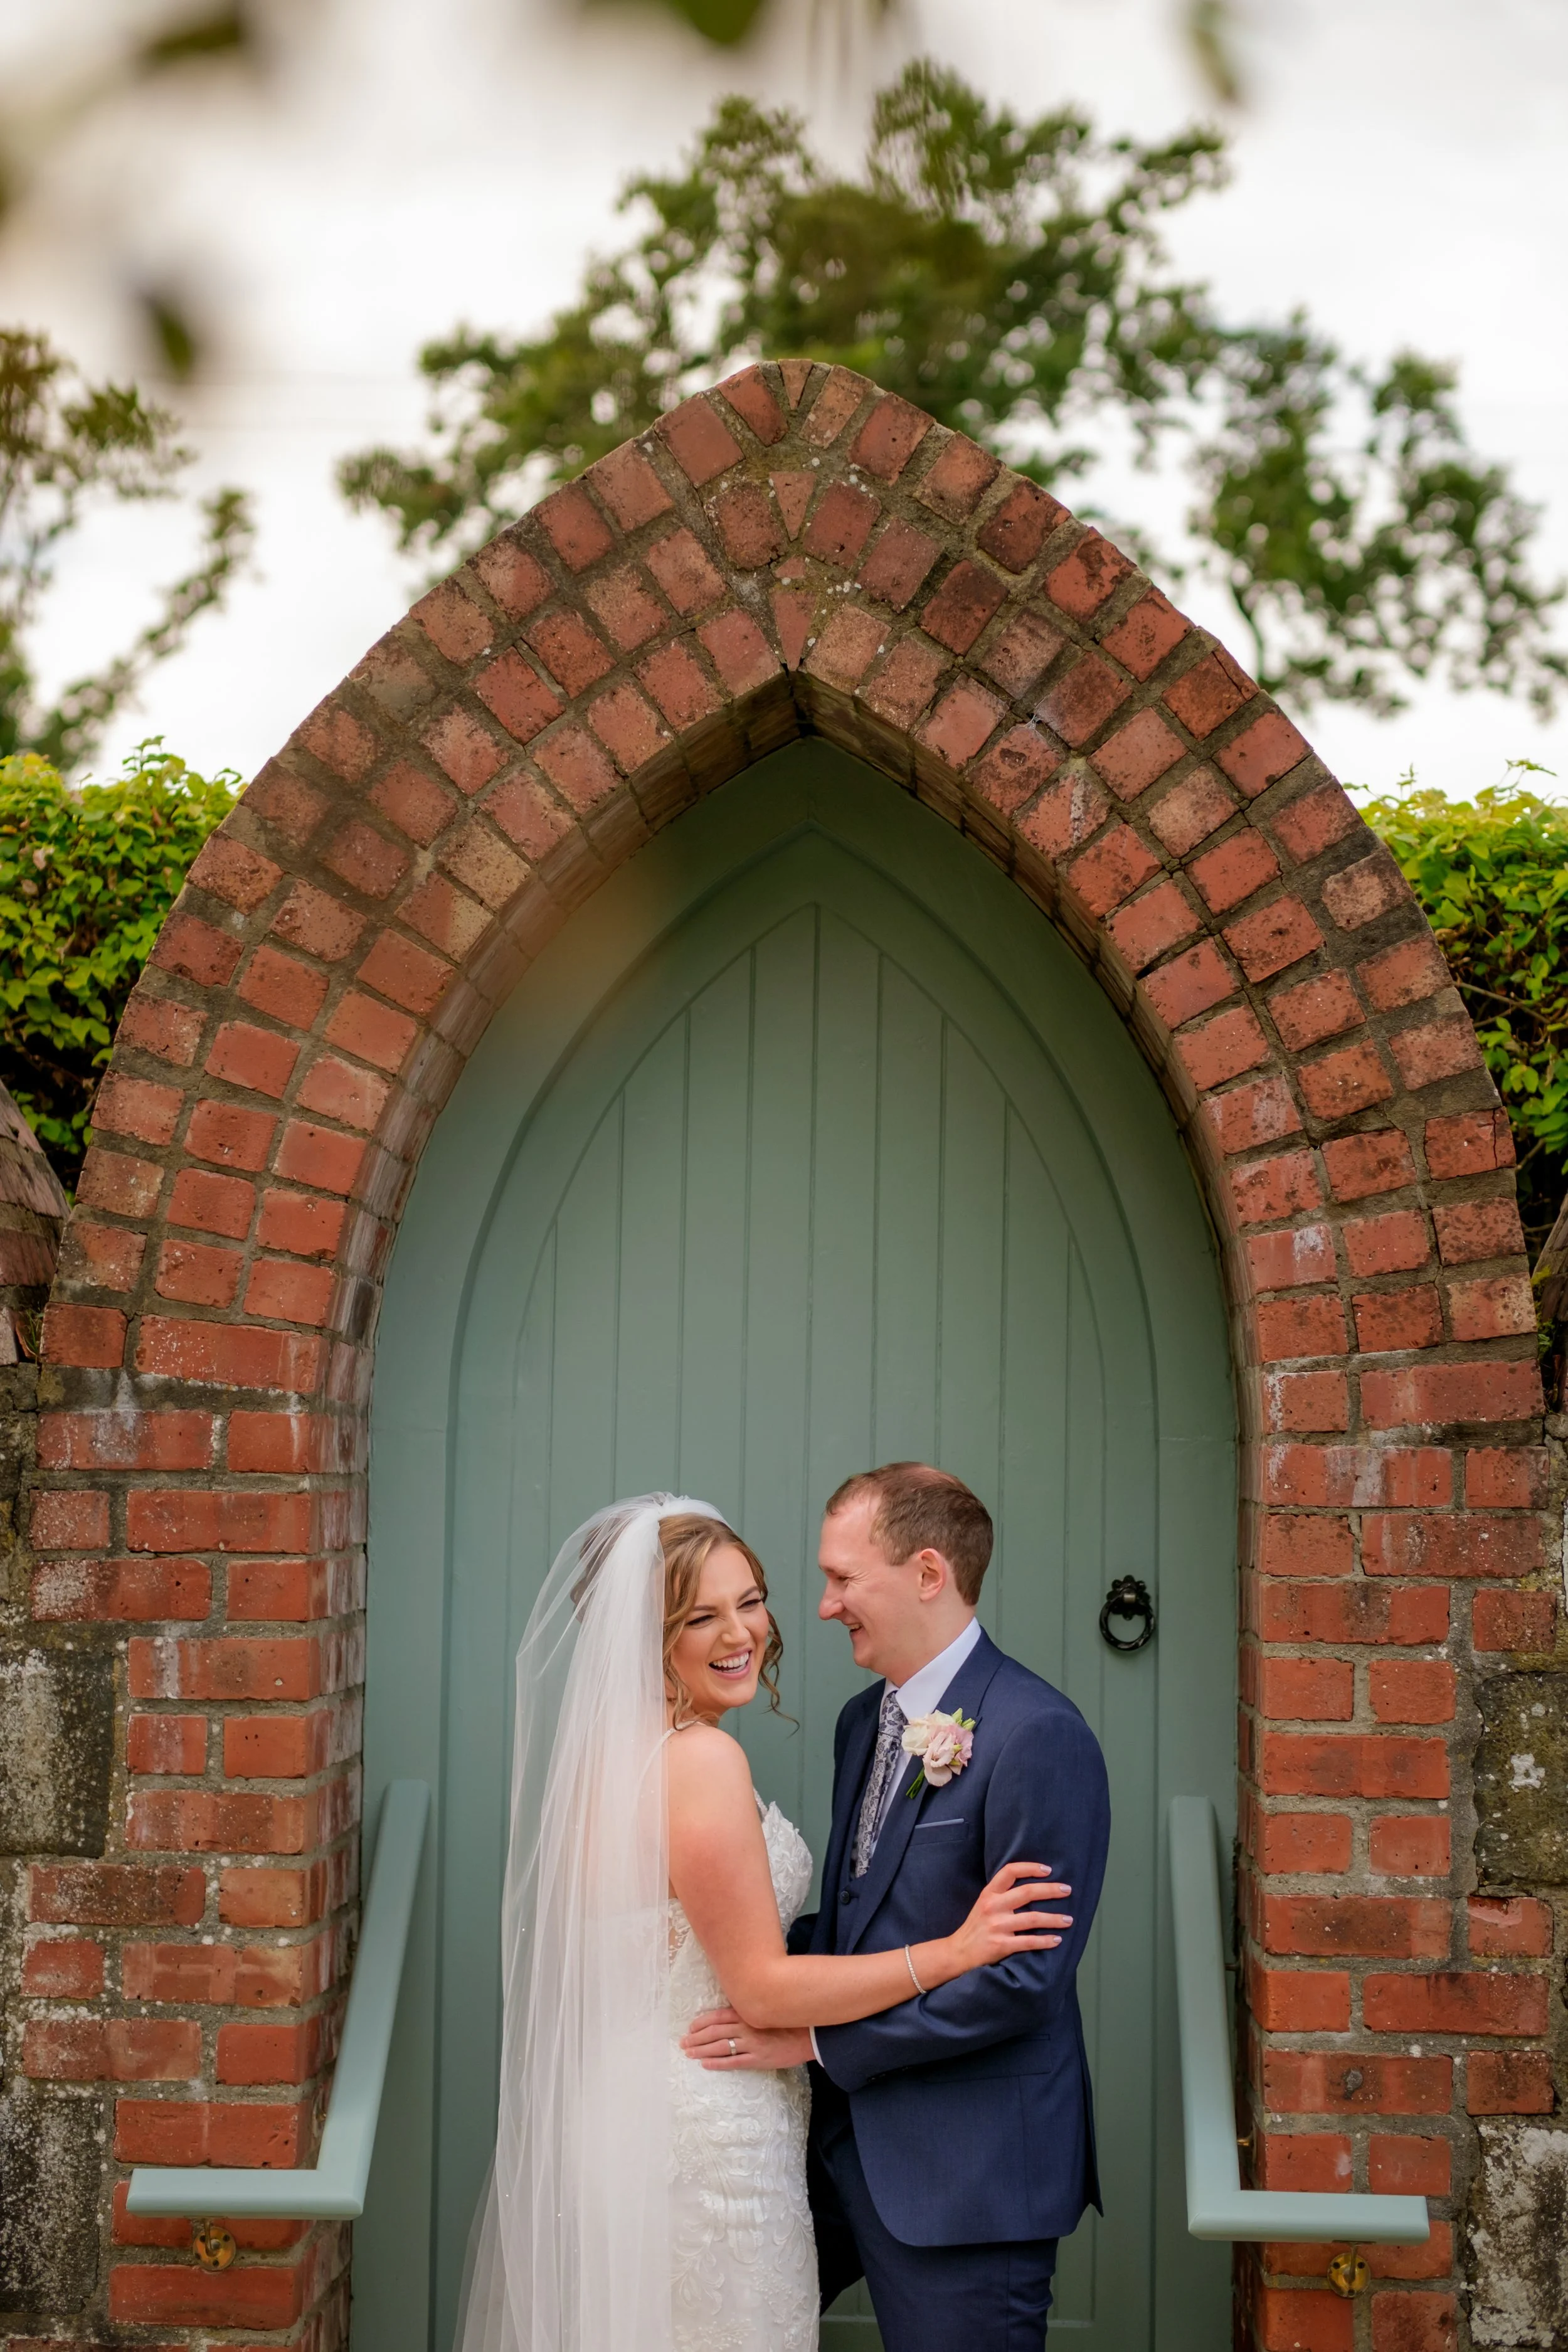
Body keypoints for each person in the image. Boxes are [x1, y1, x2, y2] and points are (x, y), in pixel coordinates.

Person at [453, 1493, 1073, 2352]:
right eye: (700, 1615)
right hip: (708, 2135)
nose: (742, 1632)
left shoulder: (609, 1766)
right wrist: (956, 1947)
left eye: (749, 1599)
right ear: (646, 1637)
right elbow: (760, 1983)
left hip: (637, 2113)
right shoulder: (700, 1760)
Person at [683, 1465, 1111, 2352]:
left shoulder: (1038, 1734)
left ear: (927, 1572)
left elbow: (1023, 1980)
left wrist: (817, 2040)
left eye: (843, 1577)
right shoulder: (859, 1722)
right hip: (832, 2150)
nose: (826, 1603)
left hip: (970, 2174)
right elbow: (853, 1926)